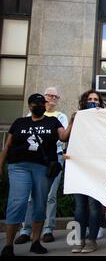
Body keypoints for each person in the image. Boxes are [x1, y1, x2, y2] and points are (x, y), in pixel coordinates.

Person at [0, 93, 74, 256]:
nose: (39, 106)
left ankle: (35, 242)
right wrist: (0, 165)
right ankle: (8, 245)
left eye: (42, 103)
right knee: (18, 201)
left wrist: (72, 121)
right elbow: (7, 146)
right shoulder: (20, 122)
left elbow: (64, 137)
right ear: (29, 106)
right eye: (35, 104)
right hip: (19, 166)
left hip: (43, 167)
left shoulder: (53, 121)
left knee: (40, 202)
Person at [15, 87, 68, 244]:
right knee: (30, 196)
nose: (51, 98)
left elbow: (61, 138)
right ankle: (26, 230)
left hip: (53, 160)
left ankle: (48, 229)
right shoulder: (28, 116)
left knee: (50, 196)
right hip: (31, 160)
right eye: (48, 96)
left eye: (55, 96)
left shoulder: (61, 117)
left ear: (57, 100)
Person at [70, 90, 106, 253]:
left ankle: (91, 240)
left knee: (94, 205)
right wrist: (72, 121)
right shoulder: (77, 117)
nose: (93, 102)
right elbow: (65, 138)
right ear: (84, 101)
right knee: (79, 206)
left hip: (96, 167)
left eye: (96, 100)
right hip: (79, 167)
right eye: (90, 99)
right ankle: (79, 240)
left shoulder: (103, 119)